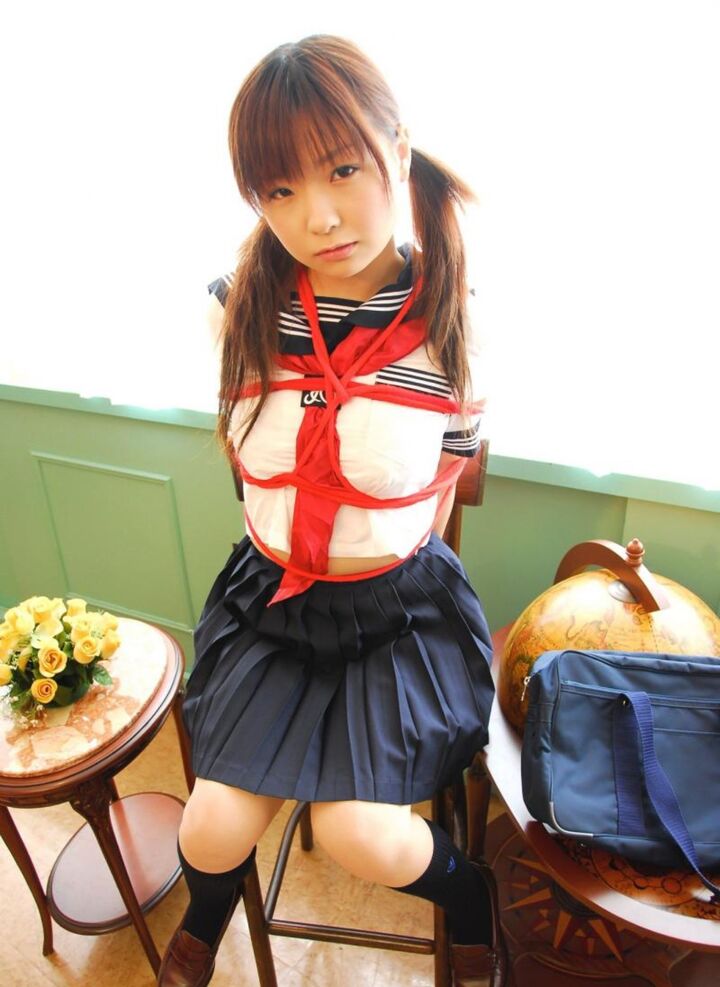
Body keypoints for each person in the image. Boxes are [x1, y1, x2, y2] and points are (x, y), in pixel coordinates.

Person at [158, 34, 506, 987]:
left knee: (360, 832)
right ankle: (205, 917)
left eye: (343, 168)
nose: (316, 216)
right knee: (208, 825)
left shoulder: (457, 321)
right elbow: (256, 473)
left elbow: (446, 478)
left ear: (397, 149)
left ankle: (471, 899)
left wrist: (377, 546)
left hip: (397, 609)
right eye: (278, 189)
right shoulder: (230, 310)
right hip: (272, 599)